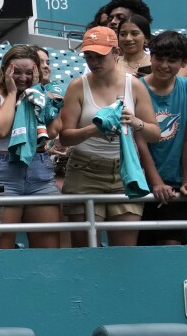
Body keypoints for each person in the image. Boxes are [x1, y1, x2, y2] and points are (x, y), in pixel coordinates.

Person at [56, 26, 160, 247]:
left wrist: (135, 122)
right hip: (84, 170)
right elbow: (65, 138)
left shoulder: (135, 85)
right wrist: (94, 129)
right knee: (84, 250)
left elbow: (155, 134)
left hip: (124, 170)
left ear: (116, 53)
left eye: (100, 56)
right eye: (89, 56)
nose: (94, 62)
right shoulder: (77, 86)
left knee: (124, 251)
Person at [0, 45, 60, 249]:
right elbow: (0, 130)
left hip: (39, 170)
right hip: (3, 172)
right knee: (1, 248)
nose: (22, 78)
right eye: (17, 72)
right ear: (5, 71)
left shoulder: (42, 95)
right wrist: (12, 93)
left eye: (29, 72)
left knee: (48, 248)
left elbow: (55, 130)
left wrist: (37, 92)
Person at [138, 31, 187, 246]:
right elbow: (139, 141)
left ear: (184, 62)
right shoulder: (135, 88)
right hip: (139, 184)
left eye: (172, 60)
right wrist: (155, 182)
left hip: (175, 184)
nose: (164, 65)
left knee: (171, 245)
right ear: (151, 56)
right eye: (159, 58)